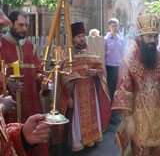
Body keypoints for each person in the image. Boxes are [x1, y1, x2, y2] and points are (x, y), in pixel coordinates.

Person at [112, 14, 160, 156]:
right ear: (141, 36)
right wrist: (128, 119)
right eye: (148, 36)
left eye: (154, 36)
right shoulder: (129, 60)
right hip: (138, 117)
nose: (152, 41)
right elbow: (124, 91)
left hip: (159, 115)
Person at [55, 22, 111, 151]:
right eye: (79, 36)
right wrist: (68, 97)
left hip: (91, 91)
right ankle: (78, 141)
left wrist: (95, 73)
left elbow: (101, 69)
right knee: (77, 121)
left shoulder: (90, 51)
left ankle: (92, 139)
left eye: (83, 36)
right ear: (73, 38)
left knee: (93, 116)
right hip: (76, 92)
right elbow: (64, 76)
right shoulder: (68, 54)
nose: (82, 38)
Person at [0, 10, 49, 155]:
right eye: (20, 25)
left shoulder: (30, 47)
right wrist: (7, 82)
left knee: (34, 138)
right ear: (11, 24)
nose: (24, 29)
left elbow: (38, 70)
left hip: (31, 102)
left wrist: (44, 80)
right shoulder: (1, 45)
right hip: (10, 105)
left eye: (26, 26)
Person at [104, 18, 125, 124]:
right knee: (111, 92)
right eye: (113, 25)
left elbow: (123, 55)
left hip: (119, 68)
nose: (115, 27)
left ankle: (117, 114)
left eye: (117, 25)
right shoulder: (105, 40)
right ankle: (111, 116)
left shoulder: (121, 39)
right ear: (109, 27)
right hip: (109, 68)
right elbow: (103, 56)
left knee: (119, 91)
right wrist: (104, 70)